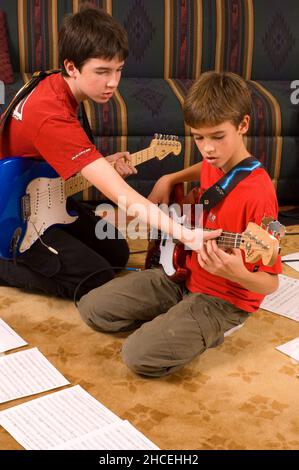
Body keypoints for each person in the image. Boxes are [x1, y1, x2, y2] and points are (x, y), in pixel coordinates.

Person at [0, 6, 218, 300]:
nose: (113, 82)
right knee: (96, 278)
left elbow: (55, 152)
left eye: (118, 70)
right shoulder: (50, 114)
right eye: (102, 72)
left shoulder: (57, 84)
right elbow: (122, 197)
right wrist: (185, 233)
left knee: (117, 251)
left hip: (41, 195)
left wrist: (101, 164)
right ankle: (5, 266)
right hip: (12, 213)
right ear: (72, 67)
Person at [78, 71, 282, 377]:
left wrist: (237, 272)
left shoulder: (259, 195)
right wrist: (170, 178)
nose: (208, 148)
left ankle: (209, 327)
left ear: (242, 125)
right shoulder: (216, 161)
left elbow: (270, 282)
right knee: (92, 308)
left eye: (217, 137)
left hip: (223, 298)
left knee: (137, 356)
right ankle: (174, 317)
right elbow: (206, 169)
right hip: (182, 273)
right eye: (199, 137)